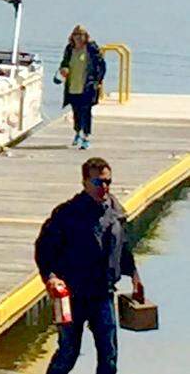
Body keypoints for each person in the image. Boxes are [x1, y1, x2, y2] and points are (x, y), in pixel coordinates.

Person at [34, 157, 143, 374]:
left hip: (103, 293)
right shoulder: (67, 214)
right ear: (84, 182)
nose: (104, 187)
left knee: (109, 355)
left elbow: (124, 245)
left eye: (107, 182)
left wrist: (134, 275)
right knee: (68, 353)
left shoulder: (116, 211)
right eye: (98, 182)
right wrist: (51, 276)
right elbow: (44, 249)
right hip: (72, 294)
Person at [56, 25, 106, 150]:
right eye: (75, 35)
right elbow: (65, 62)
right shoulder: (70, 49)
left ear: (85, 37)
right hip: (73, 86)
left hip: (87, 86)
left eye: (80, 35)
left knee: (86, 112)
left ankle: (86, 136)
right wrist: (64, 68)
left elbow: (101, 66)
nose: (77, 38)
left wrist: (98, 80)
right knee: (76, 112)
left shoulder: (91, 49)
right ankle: (77, 132)